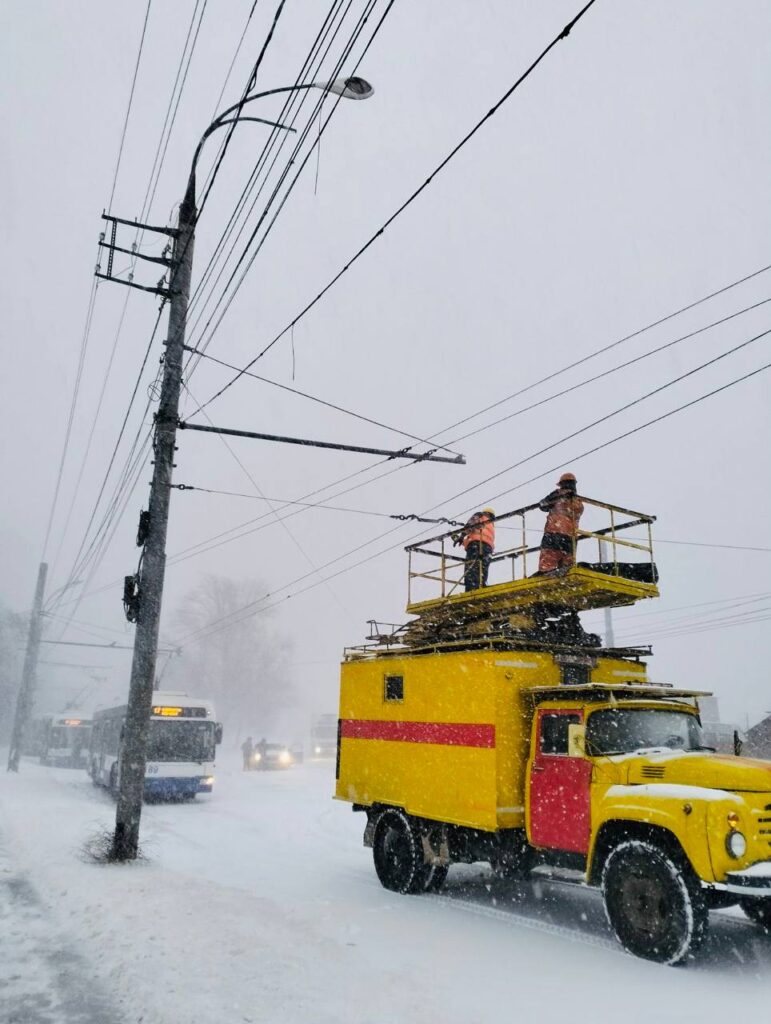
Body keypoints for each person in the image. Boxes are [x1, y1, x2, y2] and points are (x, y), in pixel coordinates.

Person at [537, 472, 584, 573]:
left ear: (562, 484)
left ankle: (547, 581)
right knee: (567, 569)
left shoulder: (558, 495)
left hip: (553, 536)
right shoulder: (579, 502)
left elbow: (542, 505)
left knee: (547, 568)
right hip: (571, 540)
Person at [454, 508, 496, 592]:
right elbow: (480, 536)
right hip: (488, 548)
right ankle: (481, 586)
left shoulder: (480, 515)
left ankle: (471, 588)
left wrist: (462, 536)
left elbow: (470, 524)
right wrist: (464, 542)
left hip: (476, 545)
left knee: (471, 567)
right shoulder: (491, 526)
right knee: (483, 568)